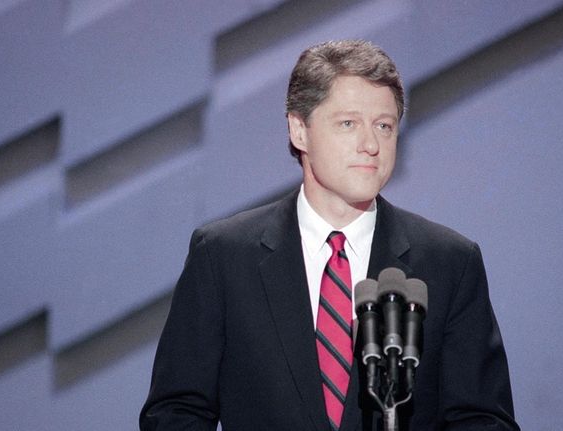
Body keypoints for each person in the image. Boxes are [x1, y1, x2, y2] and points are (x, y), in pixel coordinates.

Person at [140, 40, 519, 431]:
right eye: (348, 123)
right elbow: (175, 414)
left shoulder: (449, 262)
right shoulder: (223, 256)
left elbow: (483, 421)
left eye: (384, 126)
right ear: (299, 130)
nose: (371, 145)